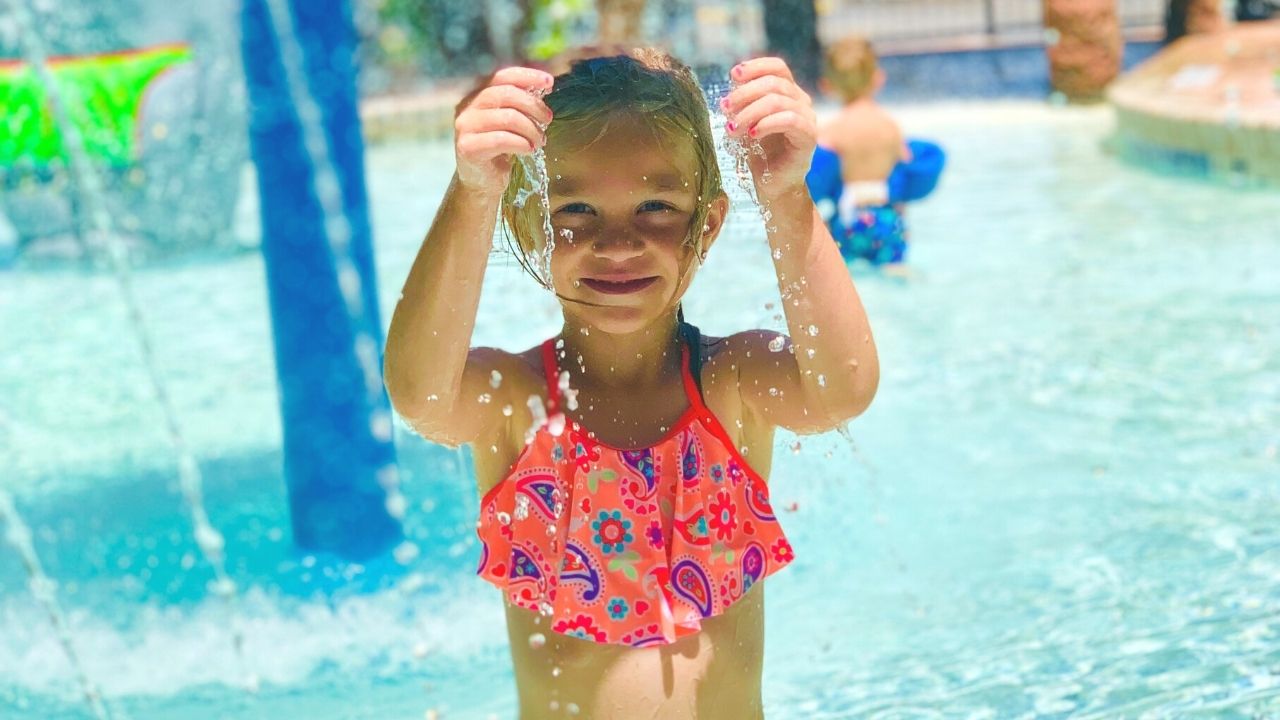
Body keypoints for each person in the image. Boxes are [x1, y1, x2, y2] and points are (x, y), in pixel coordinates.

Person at [384, 49, 878, 718]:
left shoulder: (729, 385)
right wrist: (475, 191)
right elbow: (422, 394)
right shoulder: (520, 401)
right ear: (532, 228)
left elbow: (841, 389)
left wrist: (787, 194)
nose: (617, 243)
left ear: (706, 227)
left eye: (656, 206)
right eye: (577, 210)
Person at [813, 35, 911, 267]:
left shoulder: (832, 131)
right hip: (889, 219)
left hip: (850, 219)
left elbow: (814, 176)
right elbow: (905, 167)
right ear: (878, 79)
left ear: (827, 86)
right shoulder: (890, 126)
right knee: (893, 270)